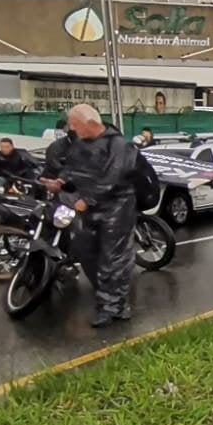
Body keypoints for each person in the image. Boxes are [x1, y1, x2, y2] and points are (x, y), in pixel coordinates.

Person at [44, 103, 136, 328]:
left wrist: (88, 200)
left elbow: (113, 177)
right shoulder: (79, 144)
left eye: (74, 125)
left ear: (90, 124)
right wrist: (60, 182)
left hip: (117, 207)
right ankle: (112, 300)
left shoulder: (118, 145)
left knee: (113, 259)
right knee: (86, 252)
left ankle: (112, 305)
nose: (72, 130)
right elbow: (73, 168)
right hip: (89, 207)